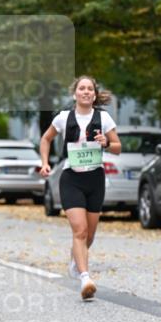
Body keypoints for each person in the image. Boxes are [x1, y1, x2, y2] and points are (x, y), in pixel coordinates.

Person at [39, 76, 120, 300]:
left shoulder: (103, 118)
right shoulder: (64, 118)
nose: (85, 92)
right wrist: (45, 163)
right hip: (71, 178)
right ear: (75, 94)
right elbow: (45, 139)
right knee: (80, 230)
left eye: (89, 89)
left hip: (95, 178)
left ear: (94, 95)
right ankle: (85, 277)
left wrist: (106, 143)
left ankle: (76, 259)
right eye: (81, 88)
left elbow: (118, 147)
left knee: (90, 234)